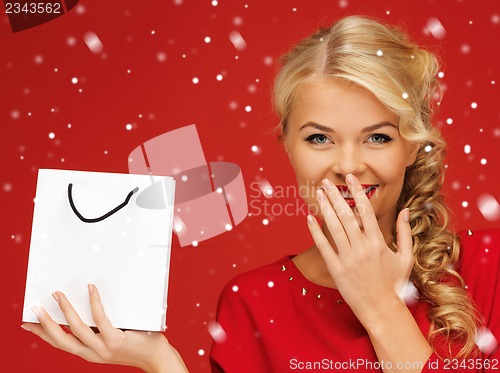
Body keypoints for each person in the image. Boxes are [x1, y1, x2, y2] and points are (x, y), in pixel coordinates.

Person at [21, 15, 499, 373]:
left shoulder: (486, 267)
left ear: (413, 148)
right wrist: (159, 360)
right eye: (319, 138)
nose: (349, 164)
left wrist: (378, 305)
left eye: (378, 137)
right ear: (287, 147)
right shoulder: (252, 302)